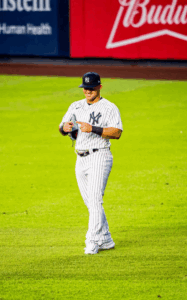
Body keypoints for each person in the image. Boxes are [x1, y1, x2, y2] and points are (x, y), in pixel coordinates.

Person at [59, 72, 123, 255]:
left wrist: (93, 128)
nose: (87, 91)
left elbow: (117, 132)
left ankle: (92, 241)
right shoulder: (75, 106)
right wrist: (64, 128)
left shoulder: (109, 107)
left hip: (99, 156)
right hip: (80, 158)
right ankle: (106, 239)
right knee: (91, 203)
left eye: (91, 88)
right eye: (85, 88)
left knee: (95, 200)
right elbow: (62, 126)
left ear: (99, 87)